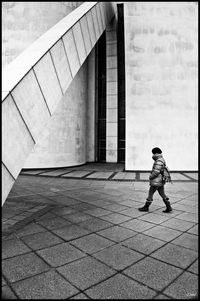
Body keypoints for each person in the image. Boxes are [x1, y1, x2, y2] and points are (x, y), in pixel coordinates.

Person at [138, 147, 172, 213]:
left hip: (156, 180)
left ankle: (146, 207)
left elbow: (156, 171)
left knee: (150, 193)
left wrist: (150, 177)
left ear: (155, 153)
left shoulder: (159, 160)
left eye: (153, 153)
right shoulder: (161, 159)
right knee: (162, 194)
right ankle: (168, 206)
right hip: (160, 180)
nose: (152, 154)